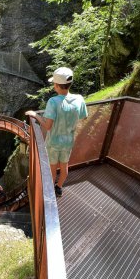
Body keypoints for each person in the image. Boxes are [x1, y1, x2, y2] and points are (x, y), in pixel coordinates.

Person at [25, 67, 88, 197]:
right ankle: (59, 187)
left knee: (52, 168)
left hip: (53, 143)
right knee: (64, 167)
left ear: (57, 85)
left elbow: (47, 126)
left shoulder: (53, 102)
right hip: (68, 141)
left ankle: (49, 191)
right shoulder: (79, 99)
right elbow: (84, 116)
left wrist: (35, 115)